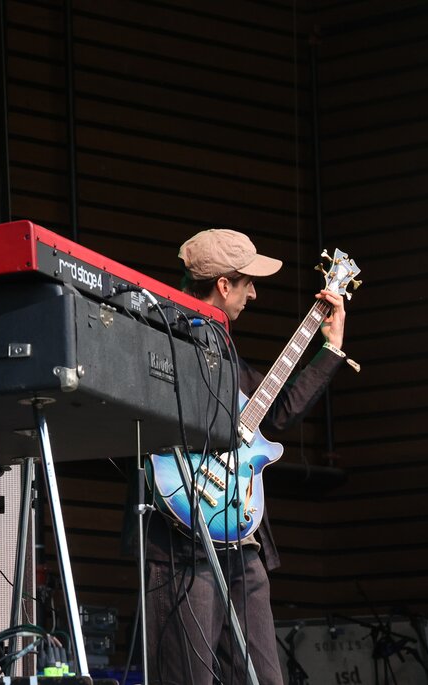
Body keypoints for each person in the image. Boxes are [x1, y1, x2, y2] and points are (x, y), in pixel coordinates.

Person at [144, 228, 350, 685]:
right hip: (185, 540)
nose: (253, 293)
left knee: (263, 678)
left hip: (242, 542)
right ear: (223, 284)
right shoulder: (161, 339)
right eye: (247, 283)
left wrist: (330, 347)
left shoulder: (229, 355)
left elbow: (275, 417)